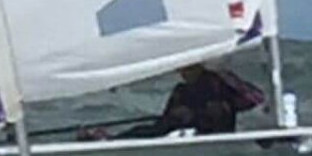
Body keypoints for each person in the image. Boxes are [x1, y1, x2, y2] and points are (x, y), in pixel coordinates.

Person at [85, 61, 267, 141]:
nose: (183, 72)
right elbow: (163, 124)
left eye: (188, 68)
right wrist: (176, 116)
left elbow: (255, 98)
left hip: (216, 138)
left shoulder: (218, 82)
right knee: (147, 130)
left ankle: (111, 139)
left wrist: (223, 104)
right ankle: (111, 139)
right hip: (186, 136)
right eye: (181, 69)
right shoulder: (181, 91)